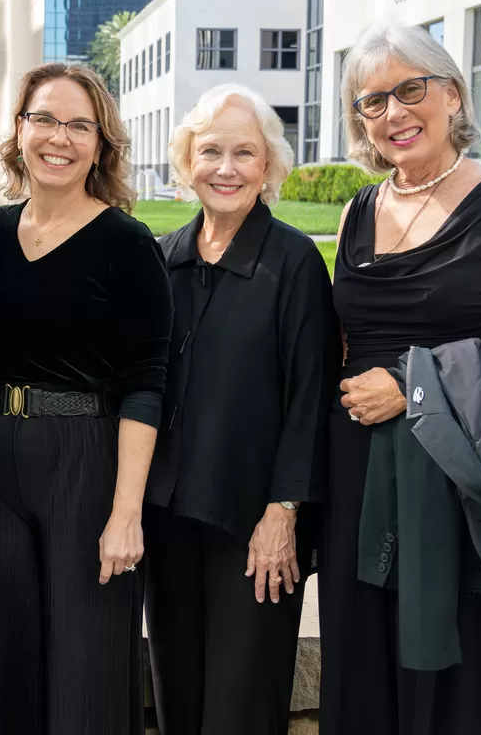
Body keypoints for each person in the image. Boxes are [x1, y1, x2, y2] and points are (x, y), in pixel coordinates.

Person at [319, 22, 481, 735]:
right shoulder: (358, 212)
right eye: (373, 101)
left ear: (453, 95)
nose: (394, 113)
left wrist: (411, 384)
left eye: (412, 89)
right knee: (364, 678)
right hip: (359, 486)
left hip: (464, 484)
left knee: (461, 695)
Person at [0, 62, 173, 734]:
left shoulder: (126, 243)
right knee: (3, 652)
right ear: (20, 129)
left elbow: (147, 383)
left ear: (101, 143)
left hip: (83, 460)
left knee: (84, 659)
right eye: (45, 119)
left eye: (79, 126)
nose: (59, 138)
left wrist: (126, 513)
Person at [143, 84, 340, 734]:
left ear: (268, 165)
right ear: (187, 161)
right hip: (168, 520)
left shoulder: (294, 262)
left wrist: (284, 512)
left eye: (244, 153)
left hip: (255, 527)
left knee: (242, 705)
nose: (225, 169)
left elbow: (311, 395)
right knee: (177, 696)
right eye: (210, 152)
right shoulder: (163, 260)